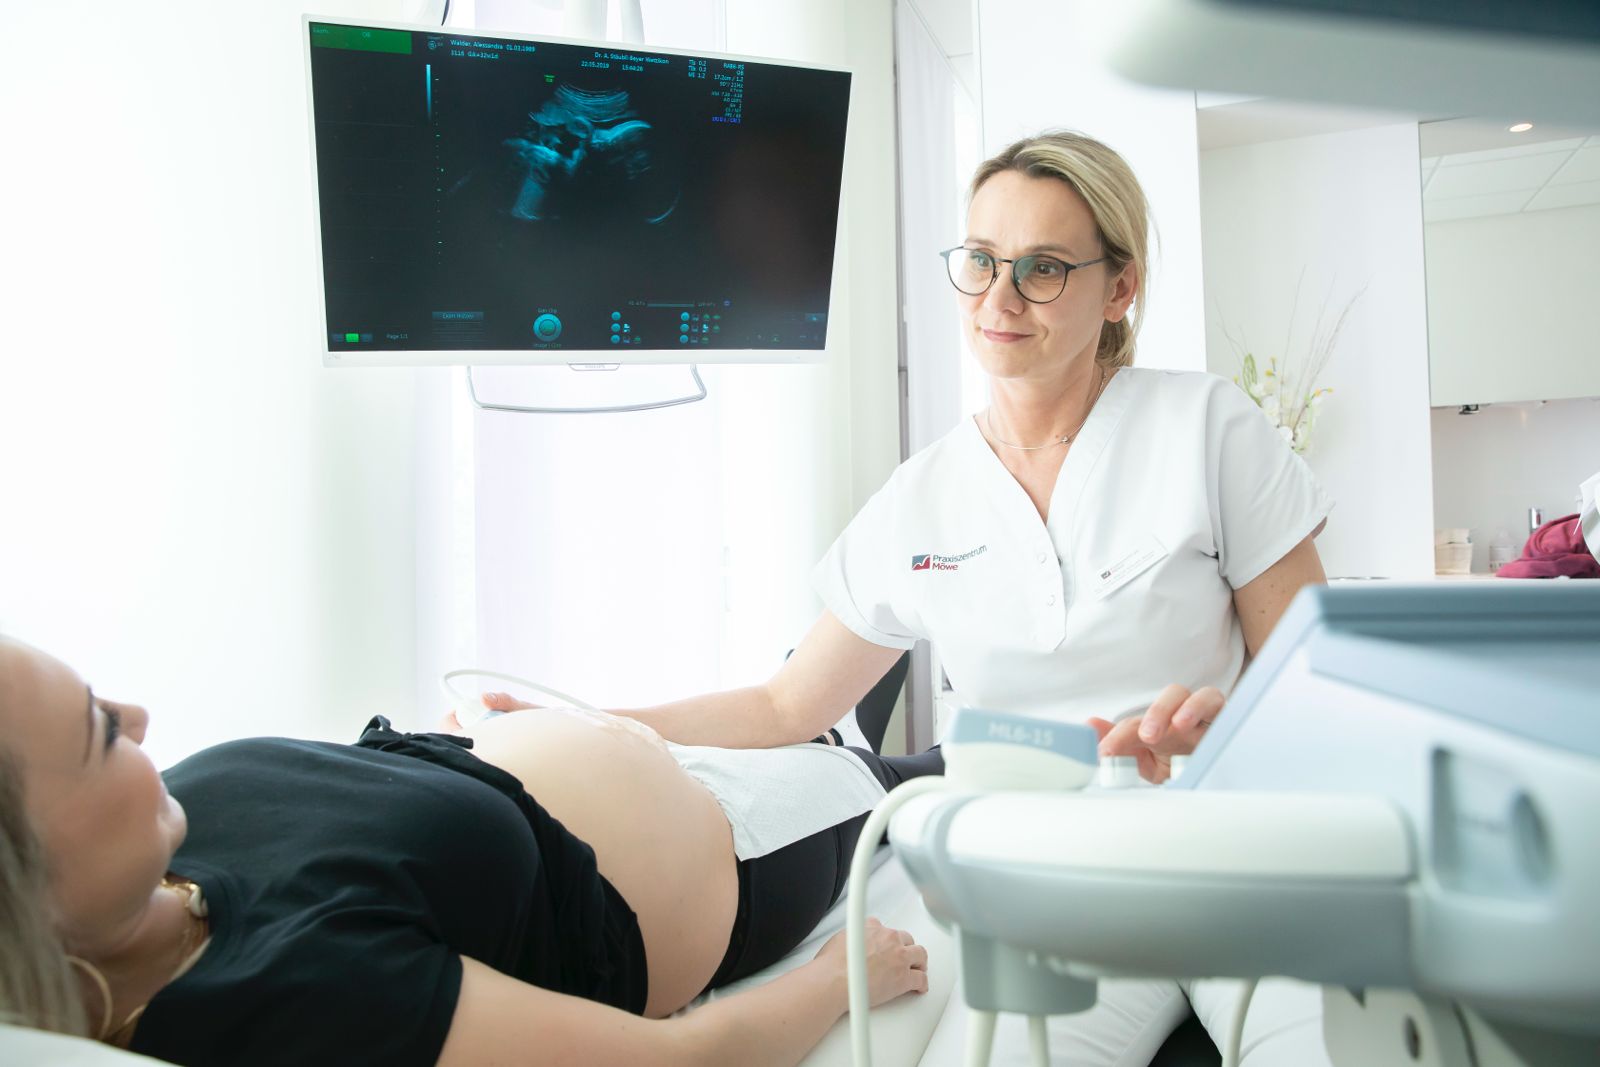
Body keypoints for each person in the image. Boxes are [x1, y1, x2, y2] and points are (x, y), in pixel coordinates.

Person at [487, 130, 1334, 1062]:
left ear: (1119, 287)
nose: (999, 299)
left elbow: (1317, 682)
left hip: (1229, 841)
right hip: (1054, 879)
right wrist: (583, 723)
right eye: (981, 261)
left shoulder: (1206, 429)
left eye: (1043, 268)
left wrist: (1227, 728)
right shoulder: (925, 495)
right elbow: (785, 705)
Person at [0, 635, 937, 1067]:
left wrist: (457, 753)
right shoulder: (297, 999)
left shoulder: (165, 839)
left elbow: (348, 831)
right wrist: (838, 978)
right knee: (924, 776)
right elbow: (677, 1060)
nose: (137, 716)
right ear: (34, 888)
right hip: (734, 844)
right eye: (99, 731)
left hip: (576, 753)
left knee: (838, 656)